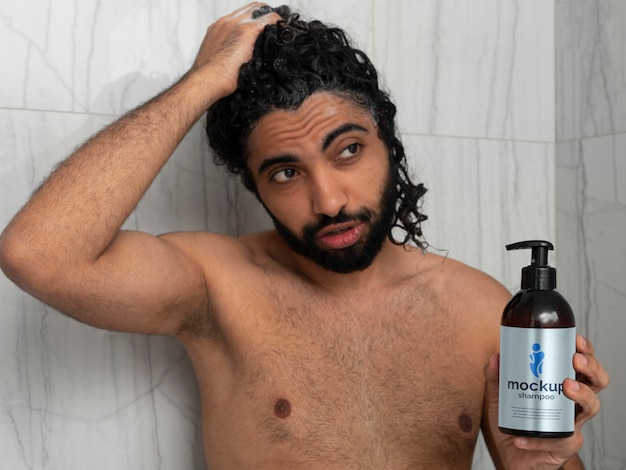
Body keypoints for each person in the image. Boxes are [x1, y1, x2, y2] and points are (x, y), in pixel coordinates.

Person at [0, 3, 609, 469]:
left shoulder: (481, 308)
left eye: (347, 150)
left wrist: (542, 464)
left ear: (388, 148)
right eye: (286, 171)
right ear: (254, 185)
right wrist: (205, 79)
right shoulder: (218, 285)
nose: (330, 200)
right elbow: (39, 254)